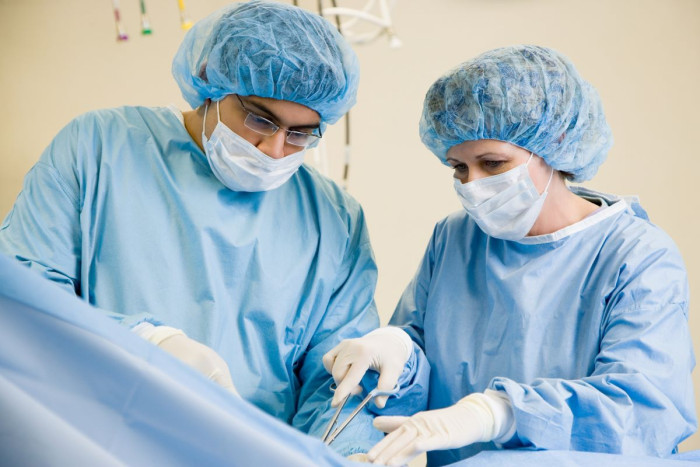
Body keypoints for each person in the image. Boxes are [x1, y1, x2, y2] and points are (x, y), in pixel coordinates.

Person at [0, 1, 383, 457]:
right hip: (93, 442)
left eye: (300, 134)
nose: (275, 149)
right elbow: (23, 300)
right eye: (260, 119)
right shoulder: (98, 147)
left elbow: (339, 382)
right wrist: (146, 343)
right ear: (209, 81)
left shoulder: (334, 218)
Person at [322, 45, 696, 465]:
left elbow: (643, 410)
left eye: (493, 163)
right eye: (459, 168)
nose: (473, 185)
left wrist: (499, 413)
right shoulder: (456, 237)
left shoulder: (637, 255)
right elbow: (419, 355)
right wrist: (398, 350)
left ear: (554, 143)